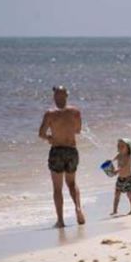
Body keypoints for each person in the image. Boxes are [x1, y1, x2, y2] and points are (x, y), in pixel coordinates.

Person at [38, 86, 85, 228]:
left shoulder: (50, 113)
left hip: (57, 151)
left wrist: (49, 138)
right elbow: (77, 130)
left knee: (57, 188)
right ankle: (78, 208)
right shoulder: (75, 112)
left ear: (54, 96)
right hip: (71, 150)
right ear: (66, 95)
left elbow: (41, 133)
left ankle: (60, 220)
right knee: (72, 183)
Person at [110, 138, 131, 215]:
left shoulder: (128, 157)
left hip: (128, 179)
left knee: (129, 194)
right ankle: (114, 210)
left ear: (128, 148)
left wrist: (117, 170)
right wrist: (109, 161)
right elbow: (113, 159)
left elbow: (125, 166)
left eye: (122, 146)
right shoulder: (119, 155)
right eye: (118, 146)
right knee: (116, 194)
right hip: (120, 179)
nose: (120, 147)